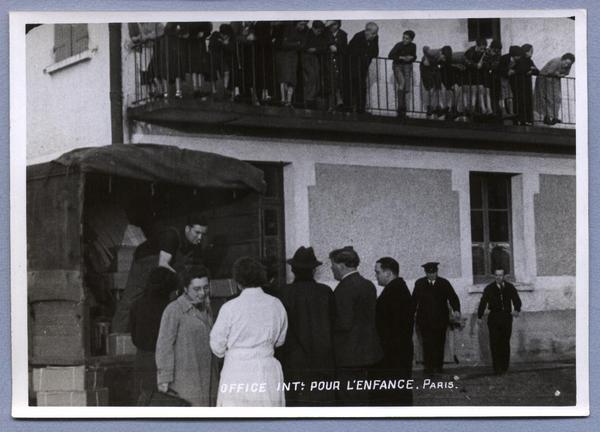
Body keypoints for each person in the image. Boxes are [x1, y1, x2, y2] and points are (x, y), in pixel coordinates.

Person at [210, 257, 288, 406]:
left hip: (237, 370)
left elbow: (217, 346)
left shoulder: (230, 308)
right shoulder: (276, 304)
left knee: (238, 422)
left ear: (238, 282)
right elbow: (280, 340)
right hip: (267, 369)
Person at [111, 215, 209, 333]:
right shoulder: (171, 235)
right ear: (187, 229)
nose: (200, 237)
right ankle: (117, 335)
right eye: (197, 232)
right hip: (146, 261)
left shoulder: (195, 245)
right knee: (132, 298)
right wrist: (181, 283)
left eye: (203, 234)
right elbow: (163, 266)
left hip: (166, 266)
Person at [277, 246, 336, 406]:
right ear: (314, 270)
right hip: (323, 360)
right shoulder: (326, 292)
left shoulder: (284, 293)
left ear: (293, 270)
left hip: (293, 361)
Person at [155, 265, 219, 406]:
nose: (202, 293)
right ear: (185, 288)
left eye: (205, 287)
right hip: (184, 381)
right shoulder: (174, 310)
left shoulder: (207, 308)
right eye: (196, 289)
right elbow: (164, 346)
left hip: (208, 378)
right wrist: (164, 379)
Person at [329, 246, 382, 406]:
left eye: (332, 265)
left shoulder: (343, 289)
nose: (332, 269)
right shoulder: (368, 285)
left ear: (341, 265)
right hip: (368, 352)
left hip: (348, 355)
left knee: (348, 399)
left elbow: (343, 323)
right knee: (362, 395)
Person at [130, 267, 179, 405]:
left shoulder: (136, 304)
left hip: (141, 358)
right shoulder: (170, 308)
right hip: (163, 360)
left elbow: (134, 336)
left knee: (142, 402)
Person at [373, 257, 414, 406]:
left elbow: (391, 327)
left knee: (394, 396)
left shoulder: (393, 293)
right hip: (399, 352)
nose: (375, 276)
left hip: (393, 355)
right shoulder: (398, 289)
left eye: (377, 272)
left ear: (388, 273)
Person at [412, 262, 460, 374]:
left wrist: (456, 310)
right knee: (427, 344)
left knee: (439, 343)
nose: (432, 275)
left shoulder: (444, 283)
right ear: (426, 273)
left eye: (433, 272)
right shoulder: (420, 283)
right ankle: (428, 368)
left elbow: (453, 297)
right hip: (424, 321)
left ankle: (438, 367)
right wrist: (410, 314)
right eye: (429, 273)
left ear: (437, 272)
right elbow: (413, 301)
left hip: (440, 320)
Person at [477, 268, 522, 375]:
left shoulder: (510, 287)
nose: (498, 277)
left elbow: (516, 300)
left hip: (506, 318)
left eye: (501, 275)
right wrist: (479, 316)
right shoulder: (489, 288)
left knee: (505, 343)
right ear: (494, 276)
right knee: (495, 343)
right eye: (496, 275)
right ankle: (497, 368)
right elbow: (483, 302)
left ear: (504, 276)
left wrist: (516, 309)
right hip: (494, 318)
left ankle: (504, 367)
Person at [347, 22, 379, 113]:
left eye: (376, 33)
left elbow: (375, 52)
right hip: (352, 67)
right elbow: (353, 52)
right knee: (354, 87)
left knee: (362, 87)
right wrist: (365, 55)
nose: (375, 35)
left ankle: (361, 108)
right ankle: (351, 107)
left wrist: (367, 56)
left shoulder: (375, 37)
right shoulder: (358, 37)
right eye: (373, 33)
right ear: (366, 31)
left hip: (363, 67)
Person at [535, 52, 575, 125]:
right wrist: (558, 74)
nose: (566, 65)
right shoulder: (556, 61)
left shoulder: (568, 65)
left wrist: (559, 74)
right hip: (545, 79)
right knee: (547, 98)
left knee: (557, 98)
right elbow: (549, 72)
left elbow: (566, 73)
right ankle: (547, 117)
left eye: (569, 64)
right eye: (565, 62)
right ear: (563, 59)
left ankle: (555, 117)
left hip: (555, 80)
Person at [276, 21, 309, 107]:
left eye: (304, 24)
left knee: (292, 79)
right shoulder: (288, 27)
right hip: (285, 55)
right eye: (301, 24)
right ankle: (283, 98)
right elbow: (284, 43)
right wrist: (296, 44)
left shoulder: (305, 30)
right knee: (284, 77)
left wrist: (295, 44)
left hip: (293, 56)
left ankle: (289, 100)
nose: (303, 27)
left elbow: (303, 44)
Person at [302, 21, 334, 109]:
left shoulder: (319, 36)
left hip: (315, 57)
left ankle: (311, 99)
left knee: (316, 77)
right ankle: (308, 99)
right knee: (311, 77)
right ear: (313, 28)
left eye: (320, 31)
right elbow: (303, 45)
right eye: (318, 31)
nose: (319, 33)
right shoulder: (308, 34)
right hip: (307, 57)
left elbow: (323, 46)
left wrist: (315, 49)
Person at [388, 30, 416, 118]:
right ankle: (400, 109)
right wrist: (402, 57)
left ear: (411, 40)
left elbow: (414, 56)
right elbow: (390, 55)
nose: (404, 40)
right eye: (403, 37)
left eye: (407, 38)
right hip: (398, 66)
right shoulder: (399, 45)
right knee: (402, 83)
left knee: (406, 87)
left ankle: (402, 109)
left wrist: (411, 57)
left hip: (407, 67)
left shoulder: (413, 46)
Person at [514, 44, 540, 125]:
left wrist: (532, 71)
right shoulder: (520, 60)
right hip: (520, 83)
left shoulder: (530, 61)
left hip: (527, 84)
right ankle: (521, 119)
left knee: (528, 100)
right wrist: (529, 70)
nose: (532, 53)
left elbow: (537, 71)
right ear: (525, 51)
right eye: (530, 51)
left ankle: (528, 119)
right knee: (521, 100)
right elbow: (519, 70)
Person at [464, 38, 490, 115]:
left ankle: (483, 109)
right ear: (477, 46)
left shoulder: (484, 52)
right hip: (470, 74)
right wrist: (475, 65)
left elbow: (485, 63)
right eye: (481, 48)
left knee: (481, 90)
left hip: (479, 75)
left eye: (484, 48)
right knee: (473, 91)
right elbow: (466, 62)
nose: (482, 50)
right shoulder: (469, 52)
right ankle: (472, 109)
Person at [325, 20, 348, 109]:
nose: (330, 27)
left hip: (338, 61)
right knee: (330, 80)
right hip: (328, 60)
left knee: (337, 80)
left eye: (333, 24)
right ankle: (331, 103)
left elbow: (344, 48)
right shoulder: (327, 33)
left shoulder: (343, 34)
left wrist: (337, 48)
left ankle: (338, 100)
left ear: (337, 25)